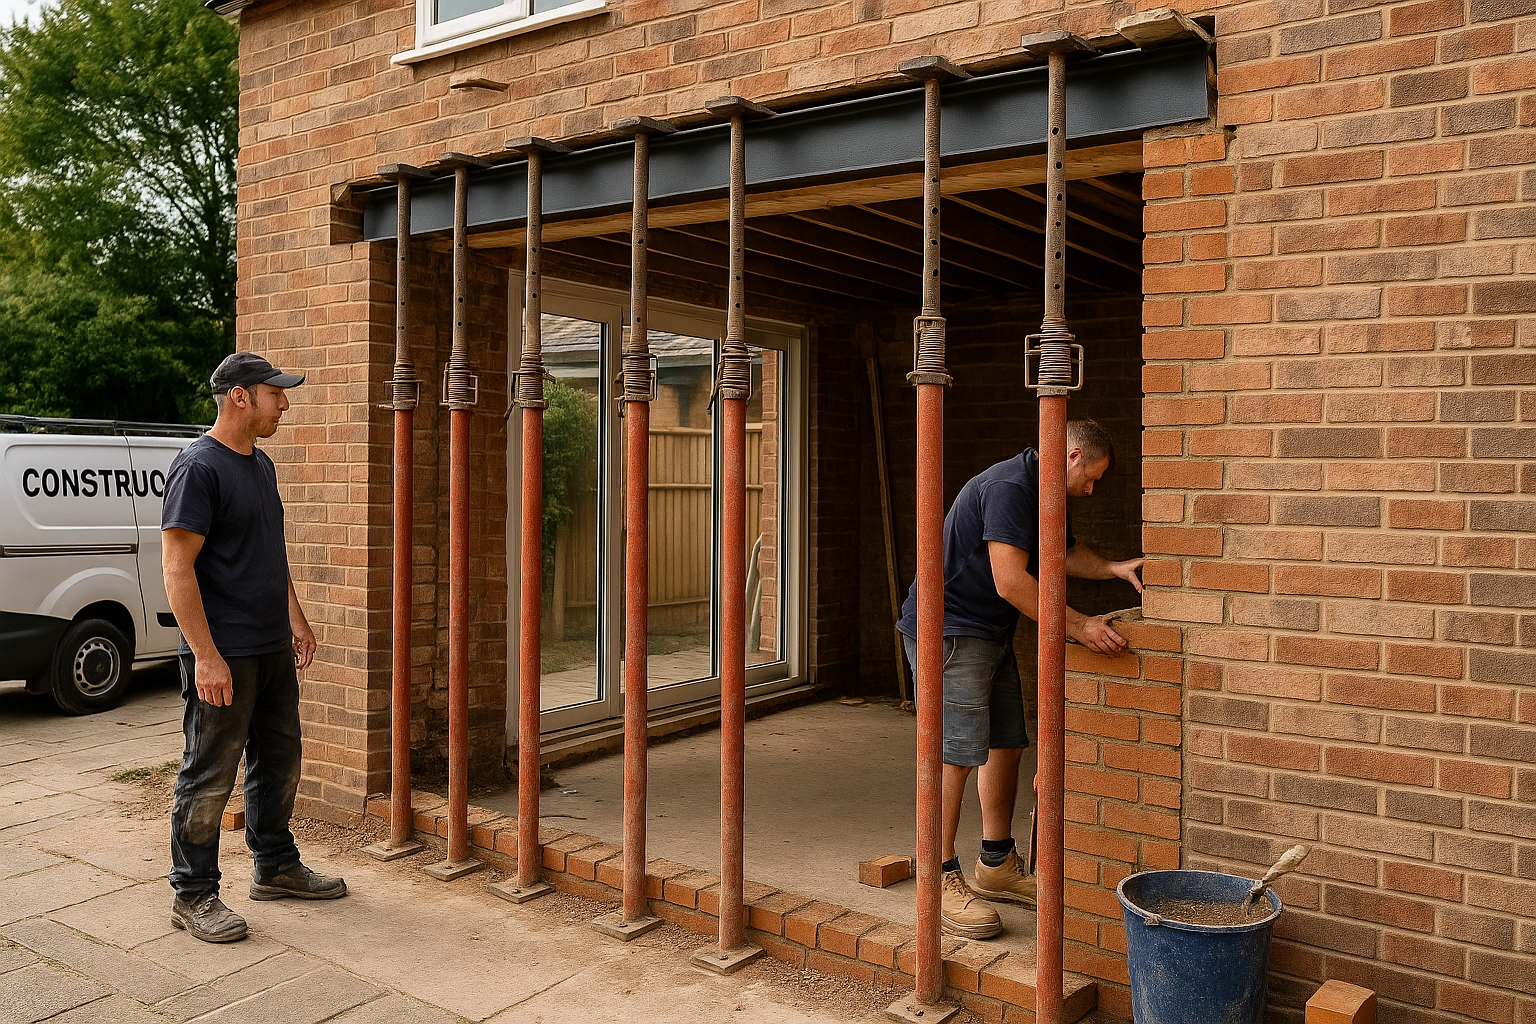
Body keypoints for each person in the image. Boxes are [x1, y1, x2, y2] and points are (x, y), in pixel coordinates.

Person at [895, 418, 1143, 940]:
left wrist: (1115, 569)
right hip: (950, 631)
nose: (1092, 489)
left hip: (987, 631)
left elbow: (1064, 552)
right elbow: (1011, 581)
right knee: (953, 755)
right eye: (1092, 478)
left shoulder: (1039, 490)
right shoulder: (1011, 487)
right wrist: (1078, 627)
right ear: (1072, 456)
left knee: (1006, 743)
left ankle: (995, 863)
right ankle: (936, 879)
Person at [160, 352, 346, 944]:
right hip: (225, 650)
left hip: (269, 646)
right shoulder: (198, 468)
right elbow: (177, 568)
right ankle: (193, 895)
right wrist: (206, 656)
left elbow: (271, 554)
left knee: (280, 760)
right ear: (241, 396)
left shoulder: (260, 467)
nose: (284, 403)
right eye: (275, 393)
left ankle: (275, 866)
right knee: (210, 773)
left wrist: (296, 621)